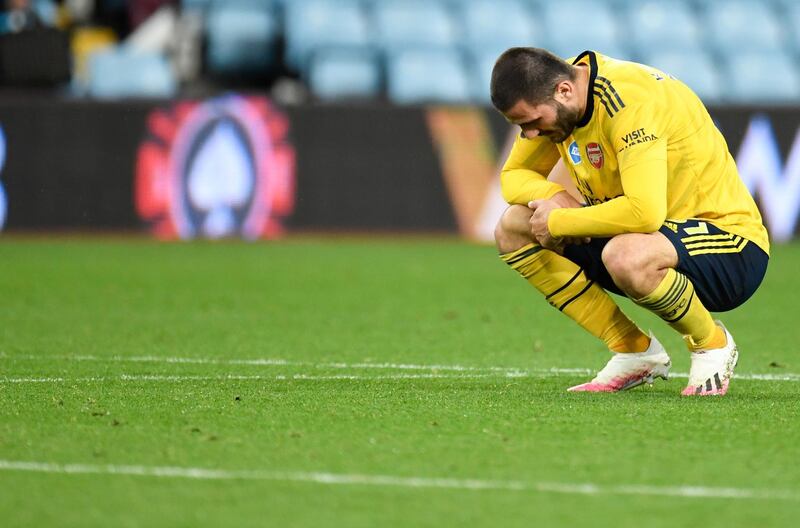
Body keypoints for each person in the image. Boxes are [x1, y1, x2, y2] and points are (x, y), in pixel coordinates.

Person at [490, 47, 769, 396]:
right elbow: (513, 175)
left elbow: (644, 212)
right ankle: (633, 349)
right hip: (644, 238)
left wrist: (561, 220)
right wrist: (551, 194)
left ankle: (712, 343)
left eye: (531, 122)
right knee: (514, 225)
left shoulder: (629, 102)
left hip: (729, 246)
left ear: (563, 90)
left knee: (626, 255)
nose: (529, 135)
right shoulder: (565, 102)